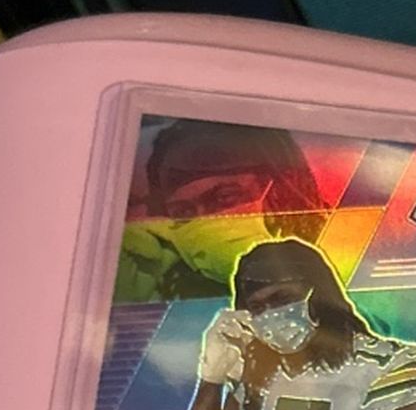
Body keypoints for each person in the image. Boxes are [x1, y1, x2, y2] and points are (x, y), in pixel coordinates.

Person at [170, 237, 416, 410]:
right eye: (257, 307)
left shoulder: (385, 366)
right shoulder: (256, 372)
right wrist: (211, 378)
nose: (271, 314)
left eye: (283, 299)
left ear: (319, 294)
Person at [117, 120, 330, 304]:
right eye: (184, 212)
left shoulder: (345, 253)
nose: (205, 221)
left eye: (225, 198)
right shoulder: (177, 292)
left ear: (282, 192)